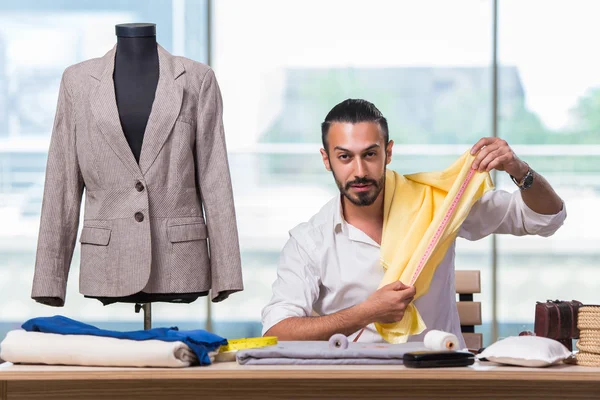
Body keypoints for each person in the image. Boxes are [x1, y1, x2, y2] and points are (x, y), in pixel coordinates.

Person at [261, 99, 566, 347]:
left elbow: (546, 218)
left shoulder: (436, 204)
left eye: (370, 154)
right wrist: (367, 312)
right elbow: (277, 331)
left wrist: (519, 169)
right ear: (326, 159)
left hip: (441, 380)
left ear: (388, 152)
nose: (359, 171)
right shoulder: (310, 241)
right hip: (355, 384)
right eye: (344, 157)